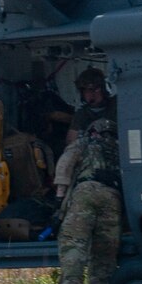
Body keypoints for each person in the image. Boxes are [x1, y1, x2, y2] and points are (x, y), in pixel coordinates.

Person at [54, 118, 122, 284]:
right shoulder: (119, 149)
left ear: (93, 131)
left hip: (85, 192)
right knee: (104, 259)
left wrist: (59, 196)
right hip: (113, 198)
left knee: (74, 249)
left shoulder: (84, 143)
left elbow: (65, 164)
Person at [53, 65, 116, 200]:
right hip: (89, 154)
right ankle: (60, 194)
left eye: (95, 89)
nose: (91, 94)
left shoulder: (116, 106)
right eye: (87, 90)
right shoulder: (81, 114)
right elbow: (71, 140)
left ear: (104, 88)